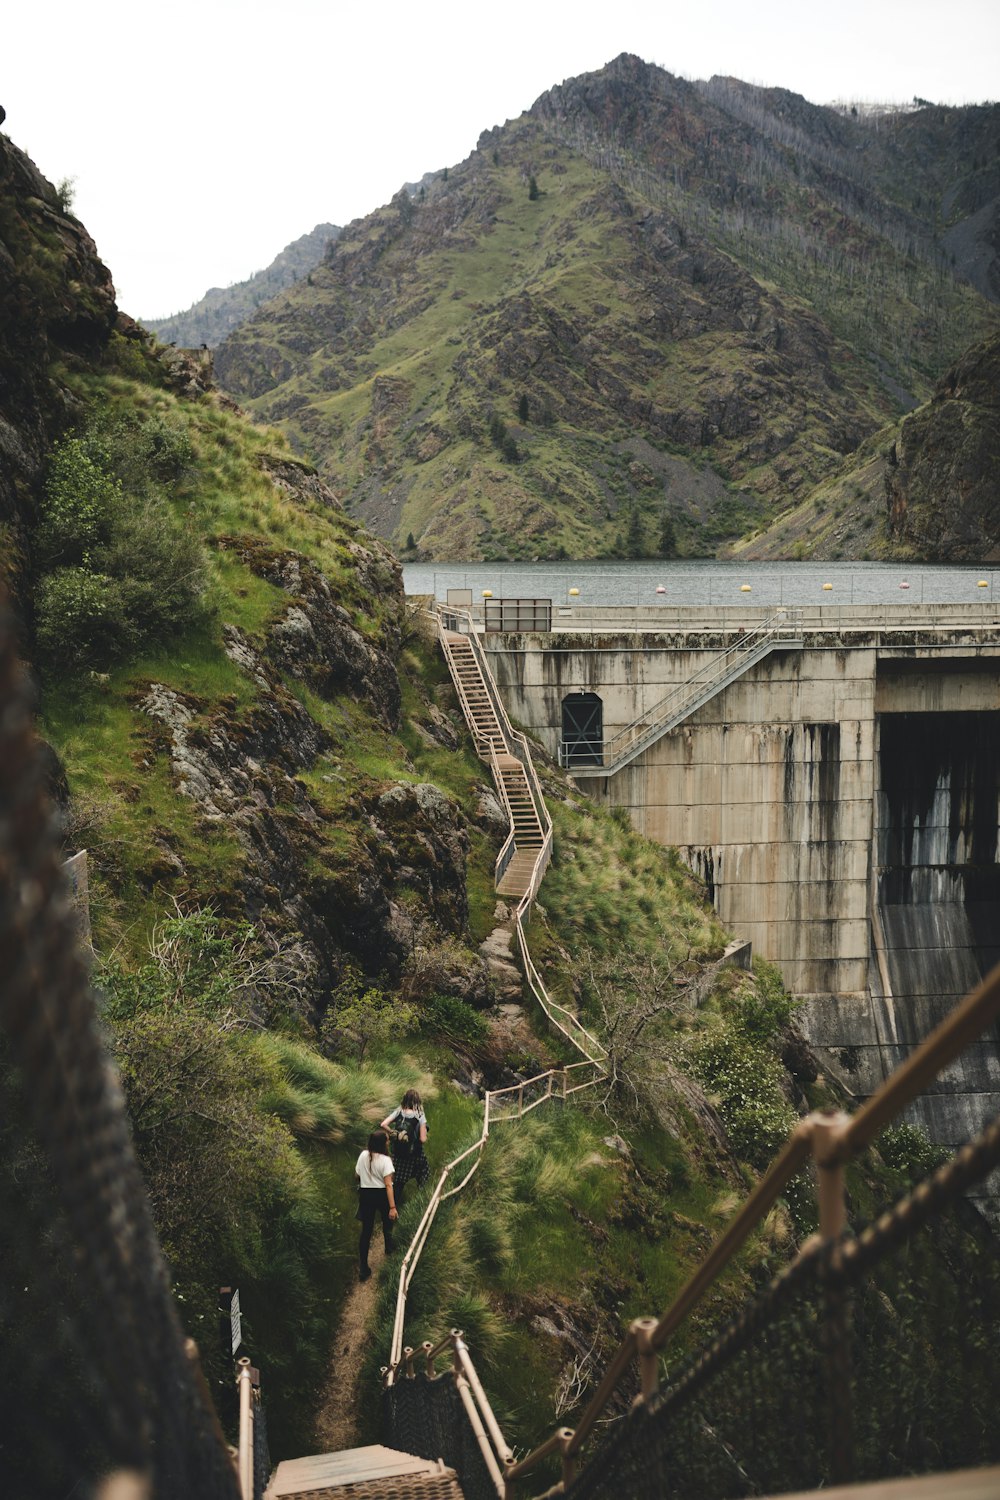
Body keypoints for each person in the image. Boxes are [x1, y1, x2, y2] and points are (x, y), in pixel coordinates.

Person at [354, 1128, 397, 1282]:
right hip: (381, 1195)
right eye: (387, 1140)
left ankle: (363, 1268)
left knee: (366, 1231)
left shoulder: (363, 1155)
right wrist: (392, 1207)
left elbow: (357, 1175)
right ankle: (389, 1247)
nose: (389, 1142)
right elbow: (388, 1185)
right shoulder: (386, 1160)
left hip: (366, 1195)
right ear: (383, 1144)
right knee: (388, 1222)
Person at [380, 1089, 429, 1210]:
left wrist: (394, 1133)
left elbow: (383, 1124)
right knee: (424, 1171)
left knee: (395, 1179)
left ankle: (387, 1204)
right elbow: (423, 1139)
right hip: (412, 1155)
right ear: (417, 1101)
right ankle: (422, 1197)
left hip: (397, 1153)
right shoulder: (420, 1115)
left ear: (405, 1099)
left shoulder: (399, 1111)